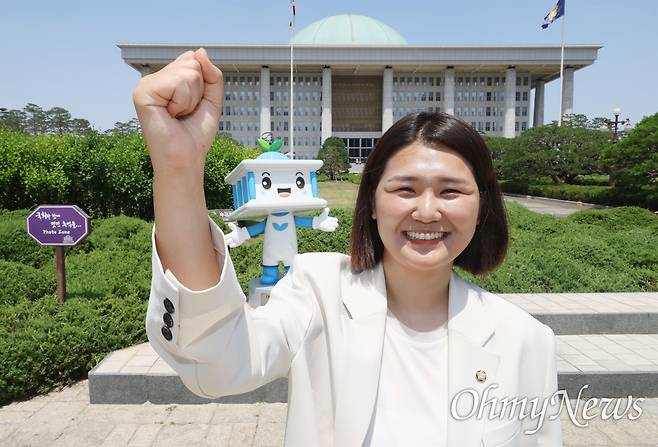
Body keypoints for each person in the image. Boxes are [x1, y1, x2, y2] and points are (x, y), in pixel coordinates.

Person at [134, 48, 562, 446]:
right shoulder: (317, 293)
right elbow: (217, 359)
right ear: (372, 203)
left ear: (482, 207)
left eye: (451, 191)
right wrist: (178, 168)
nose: (427, 211)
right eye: (405, 189)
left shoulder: (525, 340)